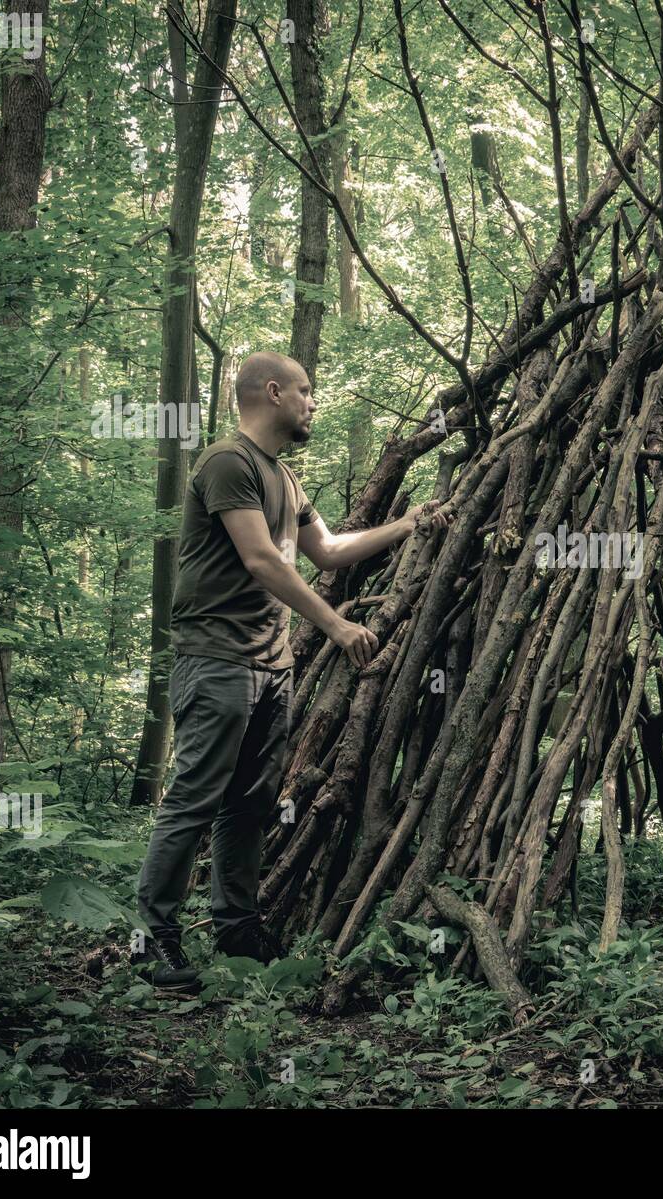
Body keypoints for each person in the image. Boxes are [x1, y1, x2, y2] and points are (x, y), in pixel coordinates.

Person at [132, 351, 448, 990]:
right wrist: (333, 626)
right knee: (194, 800)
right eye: (305, 390)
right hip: (216, 659)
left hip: (272, 665)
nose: (313, 401)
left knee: (248, 806)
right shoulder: (228, 463)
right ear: (273, 393)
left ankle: (237, 929)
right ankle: (153, 940)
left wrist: (406, 525)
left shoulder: (287, 480)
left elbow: (327, 553)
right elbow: (261, 560)